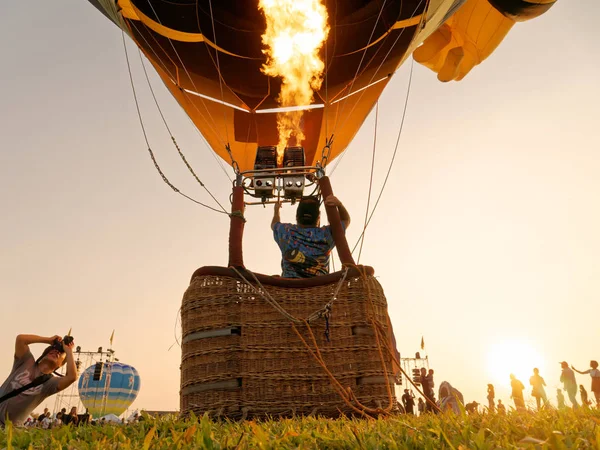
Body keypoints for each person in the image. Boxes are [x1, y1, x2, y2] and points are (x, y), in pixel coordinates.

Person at [0, 334, 77, 427]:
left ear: (60, 365)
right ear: (43, 354)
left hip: (8, 429)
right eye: (53, 349)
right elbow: (21, 339)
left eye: (60, 353)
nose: (56, 351)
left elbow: (72, 377)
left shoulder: (50, 383)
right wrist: (48, 340)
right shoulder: (26, 361)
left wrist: (68, 351)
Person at [272, 195, 350, 278]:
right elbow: (346, 220)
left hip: (289, 288)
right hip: (319, 288)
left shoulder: (286, 231)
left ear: (297, 216)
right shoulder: (326, 234)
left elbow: (274, 224)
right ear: (318, 217)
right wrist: (339, 205)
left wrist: (276, 210)